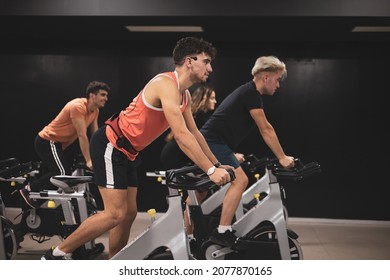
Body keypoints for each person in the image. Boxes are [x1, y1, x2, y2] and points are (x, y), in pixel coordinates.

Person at [41, 37, 232, 260]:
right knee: (115, 214)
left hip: (128, 153)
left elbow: (194, 133)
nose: (210, 68)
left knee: (129, 214)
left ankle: (116, 264)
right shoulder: (165, 84)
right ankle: (55, 255)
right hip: (110, 144)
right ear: (190, 61)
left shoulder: (184, 95)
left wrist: (216, 165)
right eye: (206, 61)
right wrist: (210, 171)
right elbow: (180, 135)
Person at [200, 56, 295, 246]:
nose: (278, 85)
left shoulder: (249, 92)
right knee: (240, 180)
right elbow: (265, 128)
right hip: (212, 141)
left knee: (202, 190)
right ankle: (222, 231)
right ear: (266, 77)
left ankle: (192, 234)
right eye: (277, 79)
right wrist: (282, 157)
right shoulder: (250, 93)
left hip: (214, 142)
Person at [160, 85, 244, 237]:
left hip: (179, 154)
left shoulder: (199, 115)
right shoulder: (201, 116)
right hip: (177, 156)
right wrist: (228, 157)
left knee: (199, 192)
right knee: (196, 193)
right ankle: (187, 235)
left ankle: (188, 234)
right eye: (212, 98)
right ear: (203, 99)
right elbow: (205, 143)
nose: (215, 101)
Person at [19, 81, 110, 209]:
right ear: (92, 95)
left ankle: (35, 205)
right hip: (47, 141)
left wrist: (100, 156)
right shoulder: (77, 106)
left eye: (106, 95)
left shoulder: (95, 111)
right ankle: (28, 190)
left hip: (58, 145)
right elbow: (82, 135)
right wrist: (89, 160)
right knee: (62, 174)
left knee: (55, 179)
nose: (106, 98)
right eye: (103, 95)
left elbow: (95, 136)